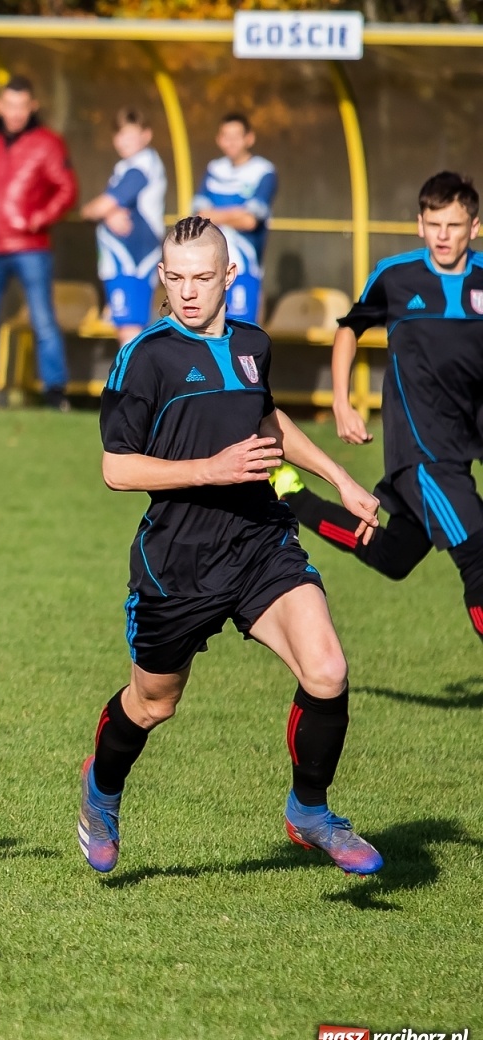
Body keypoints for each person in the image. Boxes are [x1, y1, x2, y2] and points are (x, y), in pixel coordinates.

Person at [77, 216, 385, 879]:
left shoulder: (252, 342)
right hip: (178, 565)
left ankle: (310, 810)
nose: (189, 292)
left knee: (327, 669)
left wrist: (341, 480)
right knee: (155, 703)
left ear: (230, 275)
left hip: (259, 544)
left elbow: (267, 419)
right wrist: (209, 469)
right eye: (176, 277)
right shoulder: (146, 357)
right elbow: (117, 468)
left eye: (203, 277)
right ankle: (101, 790)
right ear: (162, 277)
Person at [278, 172, 483, 648]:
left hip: (462, 447)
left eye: (454, 225)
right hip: (422, 455)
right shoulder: (396, 276)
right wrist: (342, 401)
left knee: (392, 556)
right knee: (478, 556)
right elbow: (350, 329)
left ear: (474, 227)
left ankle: (290, 498)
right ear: (419, 224)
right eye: (434, 224)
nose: (443, 236)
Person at [0, 75, 78, 410]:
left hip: (30, 248)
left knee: (42, 319)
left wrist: (38, 218)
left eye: (21, 106)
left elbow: (66, 188)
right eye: (9, 105)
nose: (15, 113)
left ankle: (55, 391)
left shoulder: (48, 143)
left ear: (32, 107)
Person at [80, 108, 166, 346]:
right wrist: (106, 215)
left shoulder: (141, 165)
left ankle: (135, 384)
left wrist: (95, 211)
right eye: (120, 135)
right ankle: (138, 383)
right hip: (125, 260)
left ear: (146, 135)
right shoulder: (126, 165)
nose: (124, 141)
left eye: (131, 134)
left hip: (132, 257)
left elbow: (102, 206)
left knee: (130, 333)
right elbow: (107, 209)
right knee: (131, 330)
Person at [192, 114, 277, 324]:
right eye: (225, 136)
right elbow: (198, 215)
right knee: (210, 334)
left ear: (249, 138)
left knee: (242, 335)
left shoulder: (263, 171)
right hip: (210, 270)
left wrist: (214, 215)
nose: (230, 141)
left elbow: (250, 221)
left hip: (244, 268)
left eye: (236, 136)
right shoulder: (214, 169)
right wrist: (236, 214)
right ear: (219, 139)